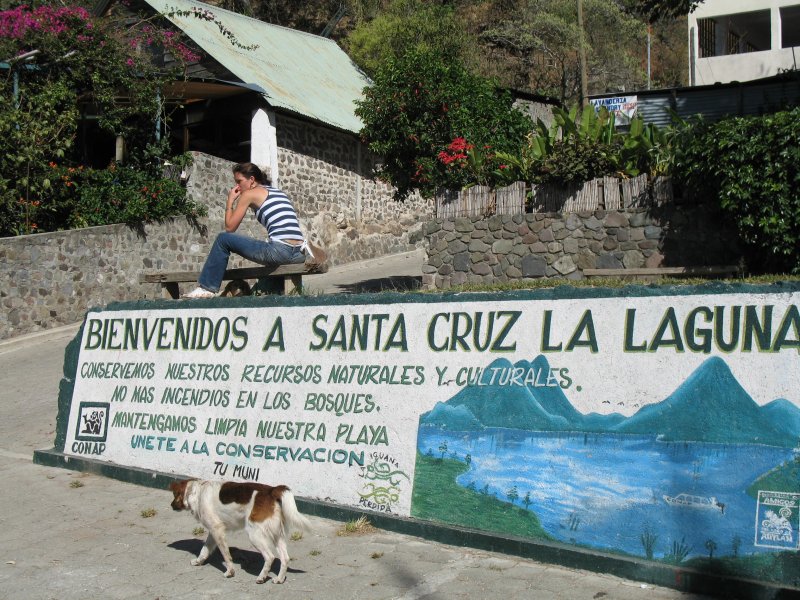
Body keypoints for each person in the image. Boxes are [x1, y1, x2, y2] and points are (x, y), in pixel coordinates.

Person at [182, 162, 311, 299]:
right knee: (269, 267)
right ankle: (277, 291)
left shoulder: (249, 194)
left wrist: (230, 201)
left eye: (239, 181)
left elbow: (230, 228)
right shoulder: (278, 192)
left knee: (223, 239)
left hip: (281, 252)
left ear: (251, 180)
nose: (237, 186)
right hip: (300, 254)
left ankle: (206, 287)